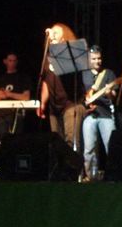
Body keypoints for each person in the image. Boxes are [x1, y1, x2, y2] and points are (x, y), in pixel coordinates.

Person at [36, 23, 87, 151]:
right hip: (54, 108)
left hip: (71, 104)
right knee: (57, 145)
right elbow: (46, 82)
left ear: (64, 37)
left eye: (56, 33)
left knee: (71, 143)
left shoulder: (70, 55)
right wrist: (42, 103)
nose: (52, 35)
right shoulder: (47, 58)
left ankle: (75, 165)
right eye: (51, 33)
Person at [81, 45, 120, 181]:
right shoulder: (84, 74)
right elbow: (81, 96)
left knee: (111, 146)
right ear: (88, 59)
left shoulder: (108, 73)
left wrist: (109, 93)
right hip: (89, 115)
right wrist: (85, 104)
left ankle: (114, 176)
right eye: (94, 59)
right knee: (88, 149)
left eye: (99, 58)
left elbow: (113, 95)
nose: (97, 61)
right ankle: (91, 177)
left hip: (106, 115)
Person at [0, 52, 31, 138]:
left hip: (16, 114)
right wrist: (0, 95)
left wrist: (9, 94)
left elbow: (26, 97)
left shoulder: (23, 78)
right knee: (4, 139)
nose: (12, 63)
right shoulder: (0, 79)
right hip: (1, 114)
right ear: (5, 61)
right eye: (10, 60)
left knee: (16, 139)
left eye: (14, 61)